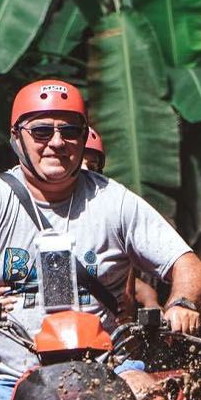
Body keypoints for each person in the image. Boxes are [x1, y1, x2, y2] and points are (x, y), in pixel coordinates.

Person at [0, 79, 201, 400]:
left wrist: (183, 303)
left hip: (108, 371)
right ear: (16, 137)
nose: (56, 142)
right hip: (8, 382)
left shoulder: (115, 201)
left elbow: (187, 265)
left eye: (69, 131)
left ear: (83, 138)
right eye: (41, 131)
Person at [81, 126, 160, 317]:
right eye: (79, 165)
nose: (85, 173)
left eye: (91, 167)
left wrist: (151, 304)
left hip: (112, 330)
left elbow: (137, 286)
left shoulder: (112, 214)